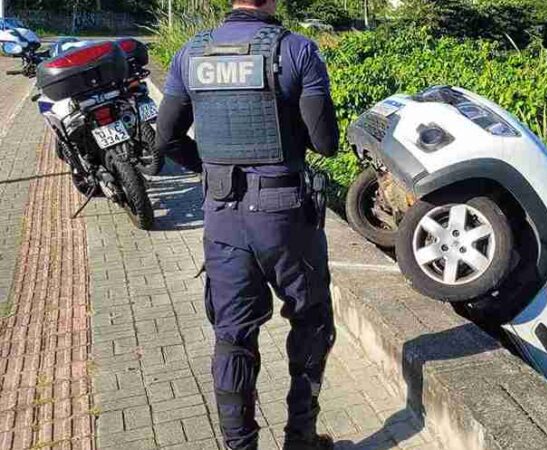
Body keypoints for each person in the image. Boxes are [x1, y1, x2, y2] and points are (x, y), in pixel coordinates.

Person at [155, 0, 340, 448]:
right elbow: (325, 142)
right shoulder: (298, 51)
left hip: (222, 219)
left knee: (233, 337)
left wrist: (212, 170)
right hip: (286, 218)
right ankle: (301, 438)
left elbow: (166, 139)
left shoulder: (189, 54)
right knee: (312, 322)